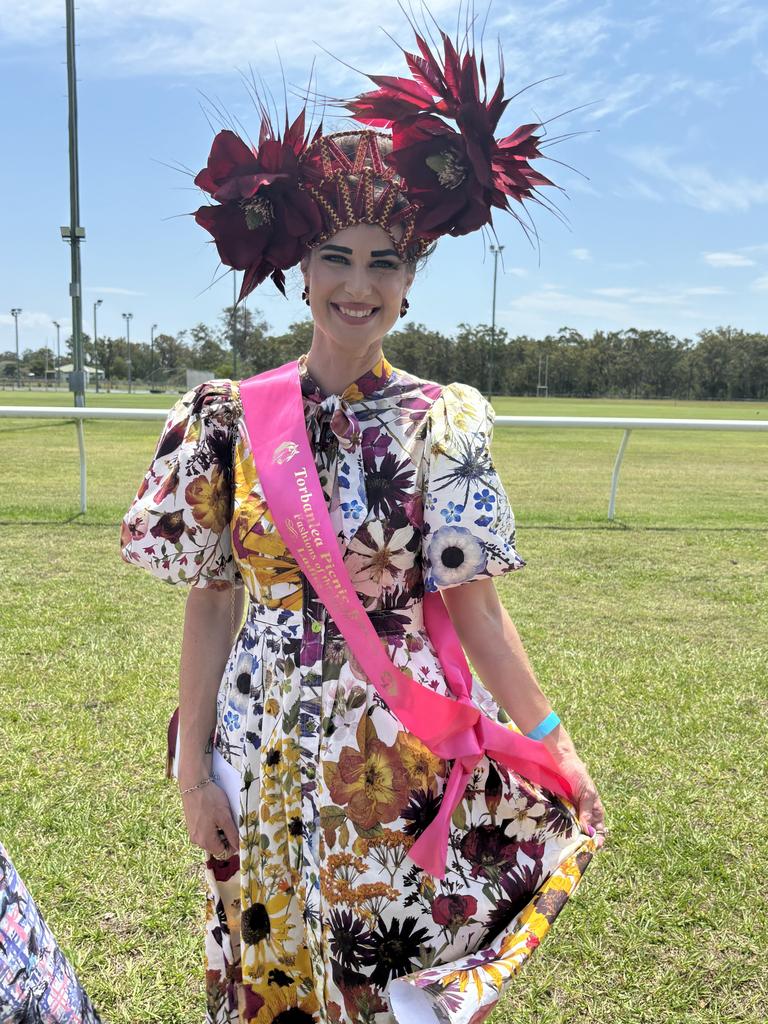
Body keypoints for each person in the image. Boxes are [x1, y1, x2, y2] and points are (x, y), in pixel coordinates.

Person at [120, 22, 606, 1024]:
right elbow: (214, 606)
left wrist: (552, 741)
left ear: (412, 278)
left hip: (392, 764)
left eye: (385, 262)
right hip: (254, 760)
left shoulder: (441, 422)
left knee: (380, 980)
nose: (358, 285)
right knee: (267, 970)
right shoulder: (229, 420)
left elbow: (479, 614)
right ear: (300, 271)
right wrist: (191, 767)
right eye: (336, 258)